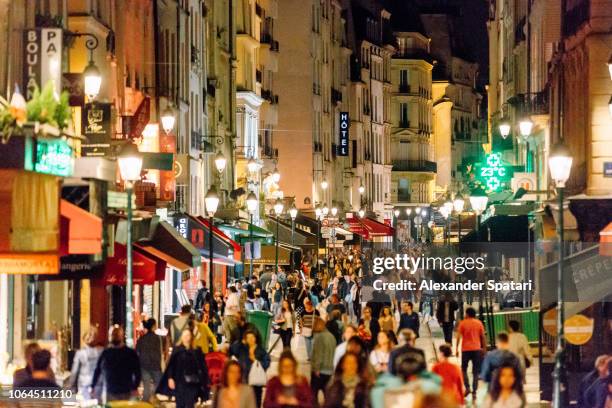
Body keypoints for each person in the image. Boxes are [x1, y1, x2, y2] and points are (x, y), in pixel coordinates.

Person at [158, 328, 210, 408]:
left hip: (193, 383)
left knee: (190, 403)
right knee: (180, 403)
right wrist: (170, 378)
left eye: (188, 335)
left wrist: (204, 380)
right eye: (184, 335)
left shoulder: (196, 350)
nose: (186, 337)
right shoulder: (177, 350)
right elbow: (171, 365)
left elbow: (202, 366)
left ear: (191, 337)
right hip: (180, 382)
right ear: (182, 337)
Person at [91, 325, 141, 402]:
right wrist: (93, 386)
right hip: (110, 391)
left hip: (125, 391)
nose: (115, 336)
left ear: (122, 335)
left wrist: (135, 387)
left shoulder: (130, 353)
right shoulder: (106, 353)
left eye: (116, 334)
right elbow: (98, 370)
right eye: (113, 334)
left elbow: (138, 372)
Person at [230, 329, 271, 407]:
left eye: (252, 337)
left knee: (256, 403)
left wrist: (255, 360)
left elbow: (267, 363)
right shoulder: (242, 349)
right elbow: (232, 350)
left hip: (256, 383)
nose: (250, 339)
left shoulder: (261, 350)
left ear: (256, 338)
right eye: (248, 338)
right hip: (243, 381)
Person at [455, 307, 486, 398]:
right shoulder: (479, 323)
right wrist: (484, 348)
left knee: (463, 370)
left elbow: (458, 337)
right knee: (475, 371)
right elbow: (483, 337)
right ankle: (475, 392)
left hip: (466, 350)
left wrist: (456, 348)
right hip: (477, 349)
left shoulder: (463, 323)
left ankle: (467, 388)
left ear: (467, 314)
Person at [69, 327, 103, 400]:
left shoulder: (80, 353)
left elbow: (74, 373)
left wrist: (70, 388)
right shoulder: (102, 352)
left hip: (84, 385)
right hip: (98, 385)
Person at [135, 319, 164, 402]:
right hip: (155, 365)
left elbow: (137, 351)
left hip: (144, 365)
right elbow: (159, 353)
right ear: (153, 326)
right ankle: (154, 401)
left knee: (146, 387)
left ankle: (146, 403)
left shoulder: (142, 339)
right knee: (158, 386)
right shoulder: (157, 338)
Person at [311, 317, 337, 406]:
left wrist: (316, 368)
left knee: (313, 394)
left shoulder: (320, 337)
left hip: (320, 370)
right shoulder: (331, 336)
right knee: (327, 393)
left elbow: (319, 354)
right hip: (329, 370)